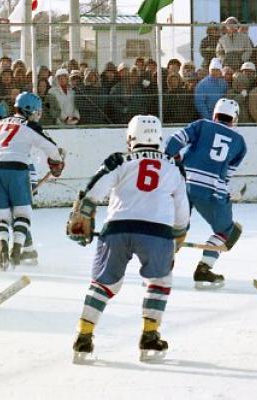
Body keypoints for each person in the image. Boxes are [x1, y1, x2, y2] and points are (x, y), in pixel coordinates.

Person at [67, 115, 189, 363]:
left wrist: (83, 216)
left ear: (131, 137)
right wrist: (178, 235)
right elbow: (182, 210)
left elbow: (92, 192)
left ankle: (84, 334)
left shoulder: (120, 160)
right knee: (159, 280)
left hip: (117, 229)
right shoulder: (173, 165)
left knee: (103, 285)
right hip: (158, 232)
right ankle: (150, 334)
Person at [0, 92, 65, 269]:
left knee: (1, 214)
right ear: (29, 110)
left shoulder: (0, 124)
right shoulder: (29, 125)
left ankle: (3, 248)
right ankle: (19, 249)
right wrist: (57, 162)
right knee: (22, 213)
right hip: (18, 171)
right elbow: (51, 148)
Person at [164, 98, 247, 289]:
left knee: (177, 227)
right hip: (211, 192)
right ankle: (204, 268)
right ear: (234, 118)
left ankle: (162, 265)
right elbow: (226, 176)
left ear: (215, 114)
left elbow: (173, 141)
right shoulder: (240, 143)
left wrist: (174, 158)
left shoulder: (202, 125)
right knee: (227, 231)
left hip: (182, 185)